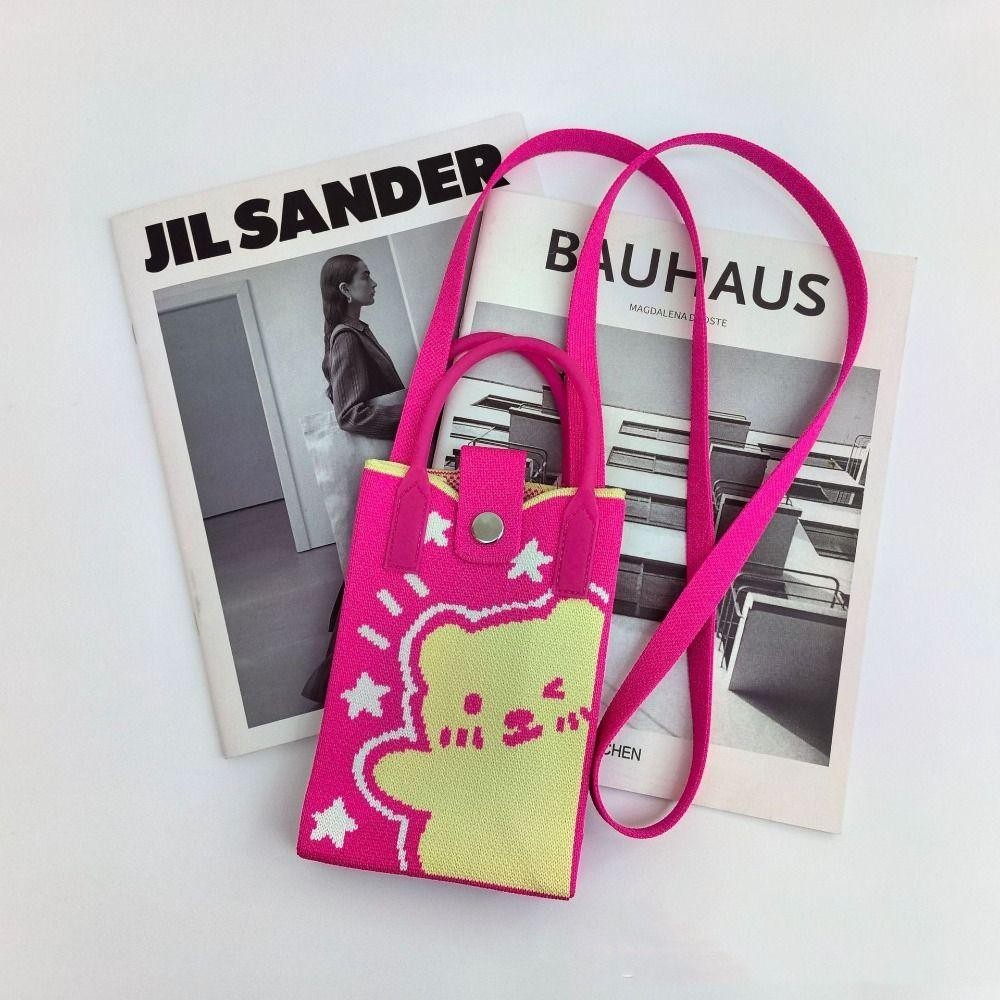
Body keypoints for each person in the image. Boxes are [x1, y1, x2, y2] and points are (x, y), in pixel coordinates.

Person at [302, 254, 406, 703]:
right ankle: (338, 677)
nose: (373, 281)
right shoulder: (347, 338)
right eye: (366, 275)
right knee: (370, 569)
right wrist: (410, 416)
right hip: (377, 465)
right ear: (345, 289)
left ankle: (339, 675)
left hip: (378, 465)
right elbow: (349, 415)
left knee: (367, 568)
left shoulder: (354, 332)